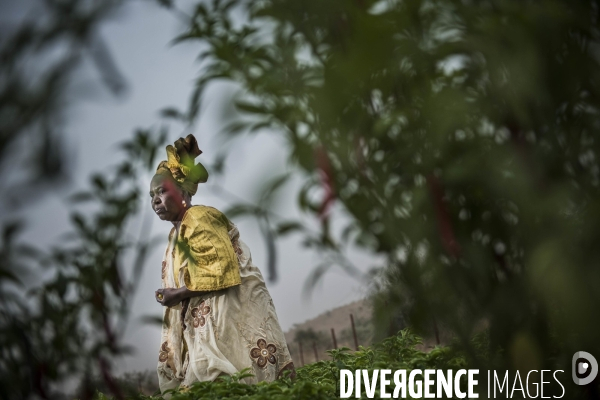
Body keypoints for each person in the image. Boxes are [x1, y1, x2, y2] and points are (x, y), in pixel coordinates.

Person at [151, 135, 295, 393]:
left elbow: (220, 268)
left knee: (230, 383)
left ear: (183, 192)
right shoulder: (175, 235)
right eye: (152, 195)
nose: (156, 200)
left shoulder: (199, 217)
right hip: (203, 324)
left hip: (224, 318)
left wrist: (178, 293)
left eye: (163, 191)